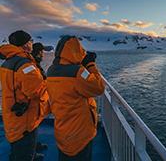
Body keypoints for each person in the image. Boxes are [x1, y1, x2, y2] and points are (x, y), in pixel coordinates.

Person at [46, 35, 105, 161]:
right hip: (79, 132)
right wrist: (90, 65)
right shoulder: (77, 72)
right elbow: (99, 87)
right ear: (74, 51)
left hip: (62, 128)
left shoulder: (51, 71)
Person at [0, 30, 50, 161]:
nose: (32, 43)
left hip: (13, 116)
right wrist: (48, 84)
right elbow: (36, 92)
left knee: (16, 151)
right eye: (31, 41)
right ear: (24, 45)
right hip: (25, 120)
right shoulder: (25, 65)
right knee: (23, 153)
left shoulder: (8, 62)